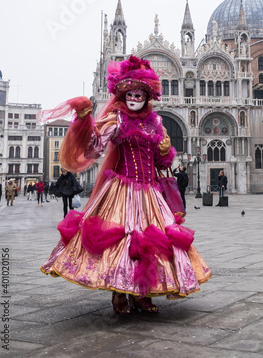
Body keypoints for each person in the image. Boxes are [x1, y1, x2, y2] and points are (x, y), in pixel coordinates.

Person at [40, 56, 211, 315]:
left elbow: (161, 160)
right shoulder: (117, 121)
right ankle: (120, 293)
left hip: (151, 190)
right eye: (128, 93)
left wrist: (165, 151)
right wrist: (85, 122)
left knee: (153, 242)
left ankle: (143, 293)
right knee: (122, 240)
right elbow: (94, 149)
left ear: (147, 96)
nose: (132, 98)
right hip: (122, 189)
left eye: (138, 93)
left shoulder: (157, 124)